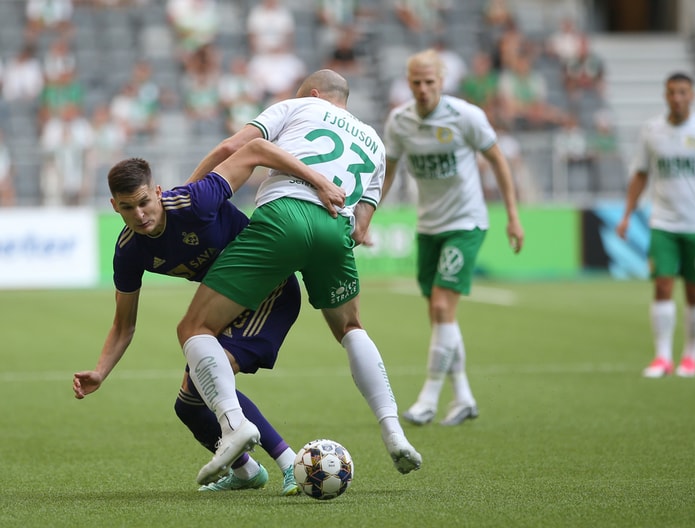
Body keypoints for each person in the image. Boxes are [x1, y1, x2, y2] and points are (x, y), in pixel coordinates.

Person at [176, 69, 423, 486]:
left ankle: (234, 425)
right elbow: (363, 227)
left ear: (313, 93)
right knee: (350, 328)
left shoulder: (297, 106)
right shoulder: (375, 144)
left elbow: (234, 147)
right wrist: (345, 229)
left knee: (195, 327)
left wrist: (185, 194)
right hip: (335, 229)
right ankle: (393, 430)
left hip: (284, 215)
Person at [72, 139, 345, 494]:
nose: (139, 215)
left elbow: (255, 151)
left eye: (144, 202)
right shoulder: (129, 251)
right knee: (188, 408)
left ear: (157, 192)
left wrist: (319, 182)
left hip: (268, 290)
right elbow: (124, 323)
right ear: (114, 206)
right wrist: (100, 371)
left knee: (209, 379)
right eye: (127, 208)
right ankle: (247, 473)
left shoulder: (194, 202)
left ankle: (292, 464)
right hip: (223, 303)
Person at [382, 49, 525, 426]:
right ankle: (463, 396)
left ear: (442, 82)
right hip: (429, 226)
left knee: (444, 308)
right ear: (408, 82)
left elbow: (498, 160)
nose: (424, 88)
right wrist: (367, 216)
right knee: (438, 314)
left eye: (430, 82)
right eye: (417, 82)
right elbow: (389, 172)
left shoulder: (466, 116)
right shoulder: (399, 121)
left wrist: (512, 215)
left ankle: (428, 399)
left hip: (466, 222)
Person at [615, 72, 695, 379]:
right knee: (662, 283)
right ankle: (662, 357)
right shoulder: (651, 131)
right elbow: (640, 175)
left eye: (683, 92)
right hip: (662, 222)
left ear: (692, 95)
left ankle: (691, 355)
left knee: (694, 290)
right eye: (672, 92)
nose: (677, 98)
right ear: (665, 95)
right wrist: (626, 214)